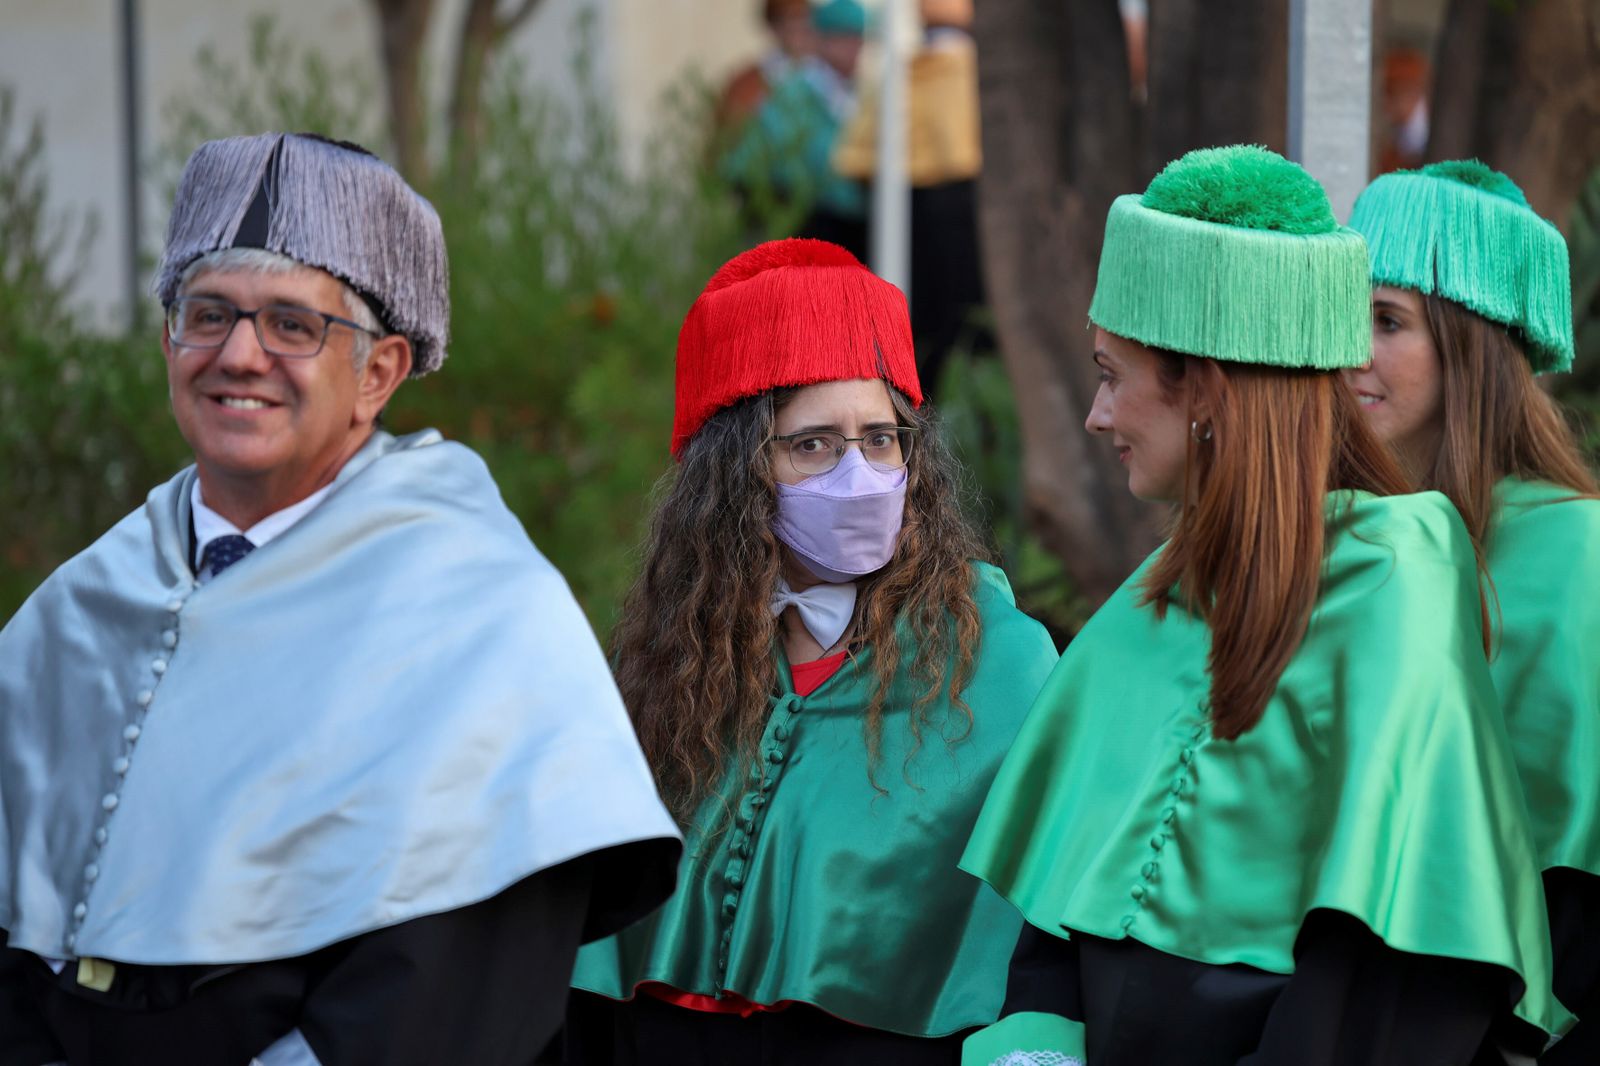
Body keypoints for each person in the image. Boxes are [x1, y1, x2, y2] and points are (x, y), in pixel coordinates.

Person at [0, 132, 681, 1066]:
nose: (239, 354)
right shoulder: (83, 604)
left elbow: (440, 997)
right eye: (208, 314)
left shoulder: (484, 620)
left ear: (379, 373)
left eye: (292, 324)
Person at [958, 145, 1560, 1066]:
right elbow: (1053, 931)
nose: (1097, 415)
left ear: (1203, 389)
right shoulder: (1149, 598)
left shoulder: (1397, 576)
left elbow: (1385, 975)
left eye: (1114, 375)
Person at [563, 238, 1058, 1065]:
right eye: (813, 444)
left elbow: (1041, 937)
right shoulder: (671, 670)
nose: (860, 474)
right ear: (734, 476)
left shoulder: (1003, 668)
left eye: (881, 438)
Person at [1345, 159, 1597, 1063]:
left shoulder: (1578, 553)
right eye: (1346, 314)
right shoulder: (1350, 538)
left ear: (1474, 348)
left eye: (1387, 321)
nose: (1350, 350)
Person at [835, 0, 988, 394]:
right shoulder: (980, 77)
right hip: (960, 232)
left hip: (910, 229)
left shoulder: (904, 73)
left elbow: (857, 160)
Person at [721, 0, 871, 261]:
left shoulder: (852, 93)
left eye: (858, 39)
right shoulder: (797, 91)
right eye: (845, 38)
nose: (854, 48)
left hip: (840, 223)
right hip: (801, 220)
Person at [714, 0, 818, 137]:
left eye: (806, 20)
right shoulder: (745, 85)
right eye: (794, 21)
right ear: (774, 27)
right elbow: (726, 138)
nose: (802, 30)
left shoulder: (827, 77)